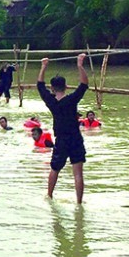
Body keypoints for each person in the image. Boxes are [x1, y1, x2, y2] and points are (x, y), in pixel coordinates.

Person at [37, 54, 89, 204]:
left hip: (61, 140)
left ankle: (49, 196)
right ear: (66, 87)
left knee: (54, 169)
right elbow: (84, 84)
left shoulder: (51, 101)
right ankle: (79, 202)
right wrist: (79, 64)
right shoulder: (71, 99)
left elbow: (40, 85)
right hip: (75, 138)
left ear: (52, 88)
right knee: (78, 173)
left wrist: (43, 66)